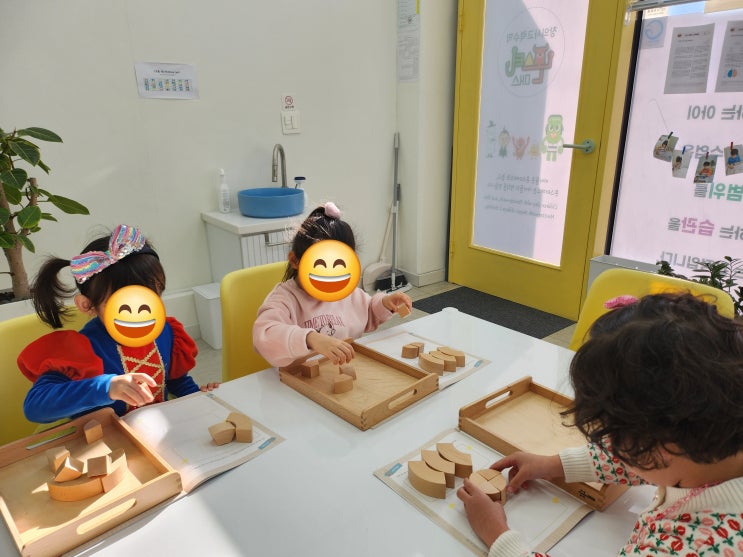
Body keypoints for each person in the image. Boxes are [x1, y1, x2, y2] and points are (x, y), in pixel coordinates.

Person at [457, 292, 743, 556]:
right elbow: (639, 464)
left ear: (661, 443)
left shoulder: (698, 546)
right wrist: (552, 464)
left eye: (616, 439)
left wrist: (498, 536)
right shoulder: (708, 441)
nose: (611, 448)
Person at [19, 224, 218, 424]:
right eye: (124, 306)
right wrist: (107, 387)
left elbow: (177, 381)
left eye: (149, 298)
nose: (140, 313)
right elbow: (35, 407)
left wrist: (201, 399)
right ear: (87, 305)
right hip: (105, 438)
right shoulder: (80, 349)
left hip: (158, 432)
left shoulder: (167, 332)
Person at [253, 202, 412, 368]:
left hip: (342, 373)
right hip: (299, 378)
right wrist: (310, 338)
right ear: (295, 260)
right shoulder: (284, 299)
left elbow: (368, 311)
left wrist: (385, 303)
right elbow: (265, 335)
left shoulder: (347, 292)